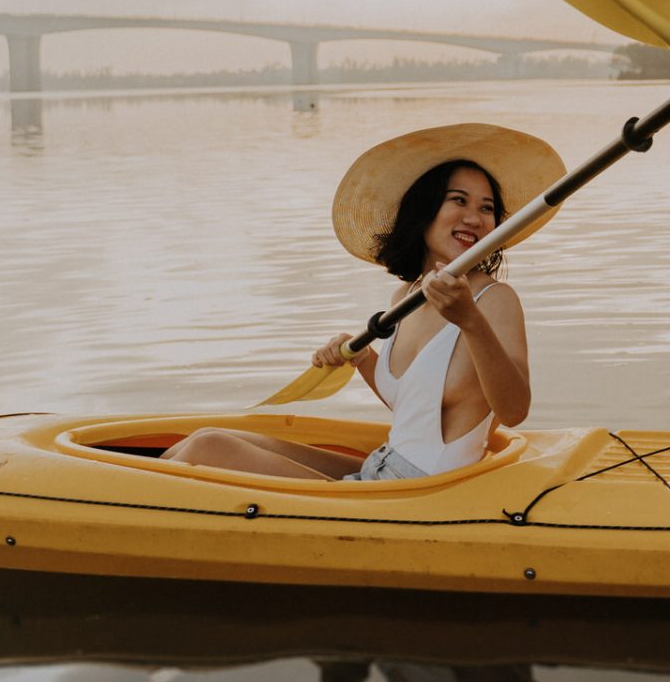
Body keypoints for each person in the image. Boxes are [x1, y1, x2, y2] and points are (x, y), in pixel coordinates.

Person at [162, 123, 565, 482]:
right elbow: (416, 409)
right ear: (423, 211)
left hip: (419, 491)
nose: (475, 218)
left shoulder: (493, 299)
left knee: (209, 448)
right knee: (207, 437)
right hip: (385, 466)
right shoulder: (405, 297)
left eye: (487, 208)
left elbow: (514, 410)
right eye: (458, 200)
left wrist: (471, 321)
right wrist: (361, 360)